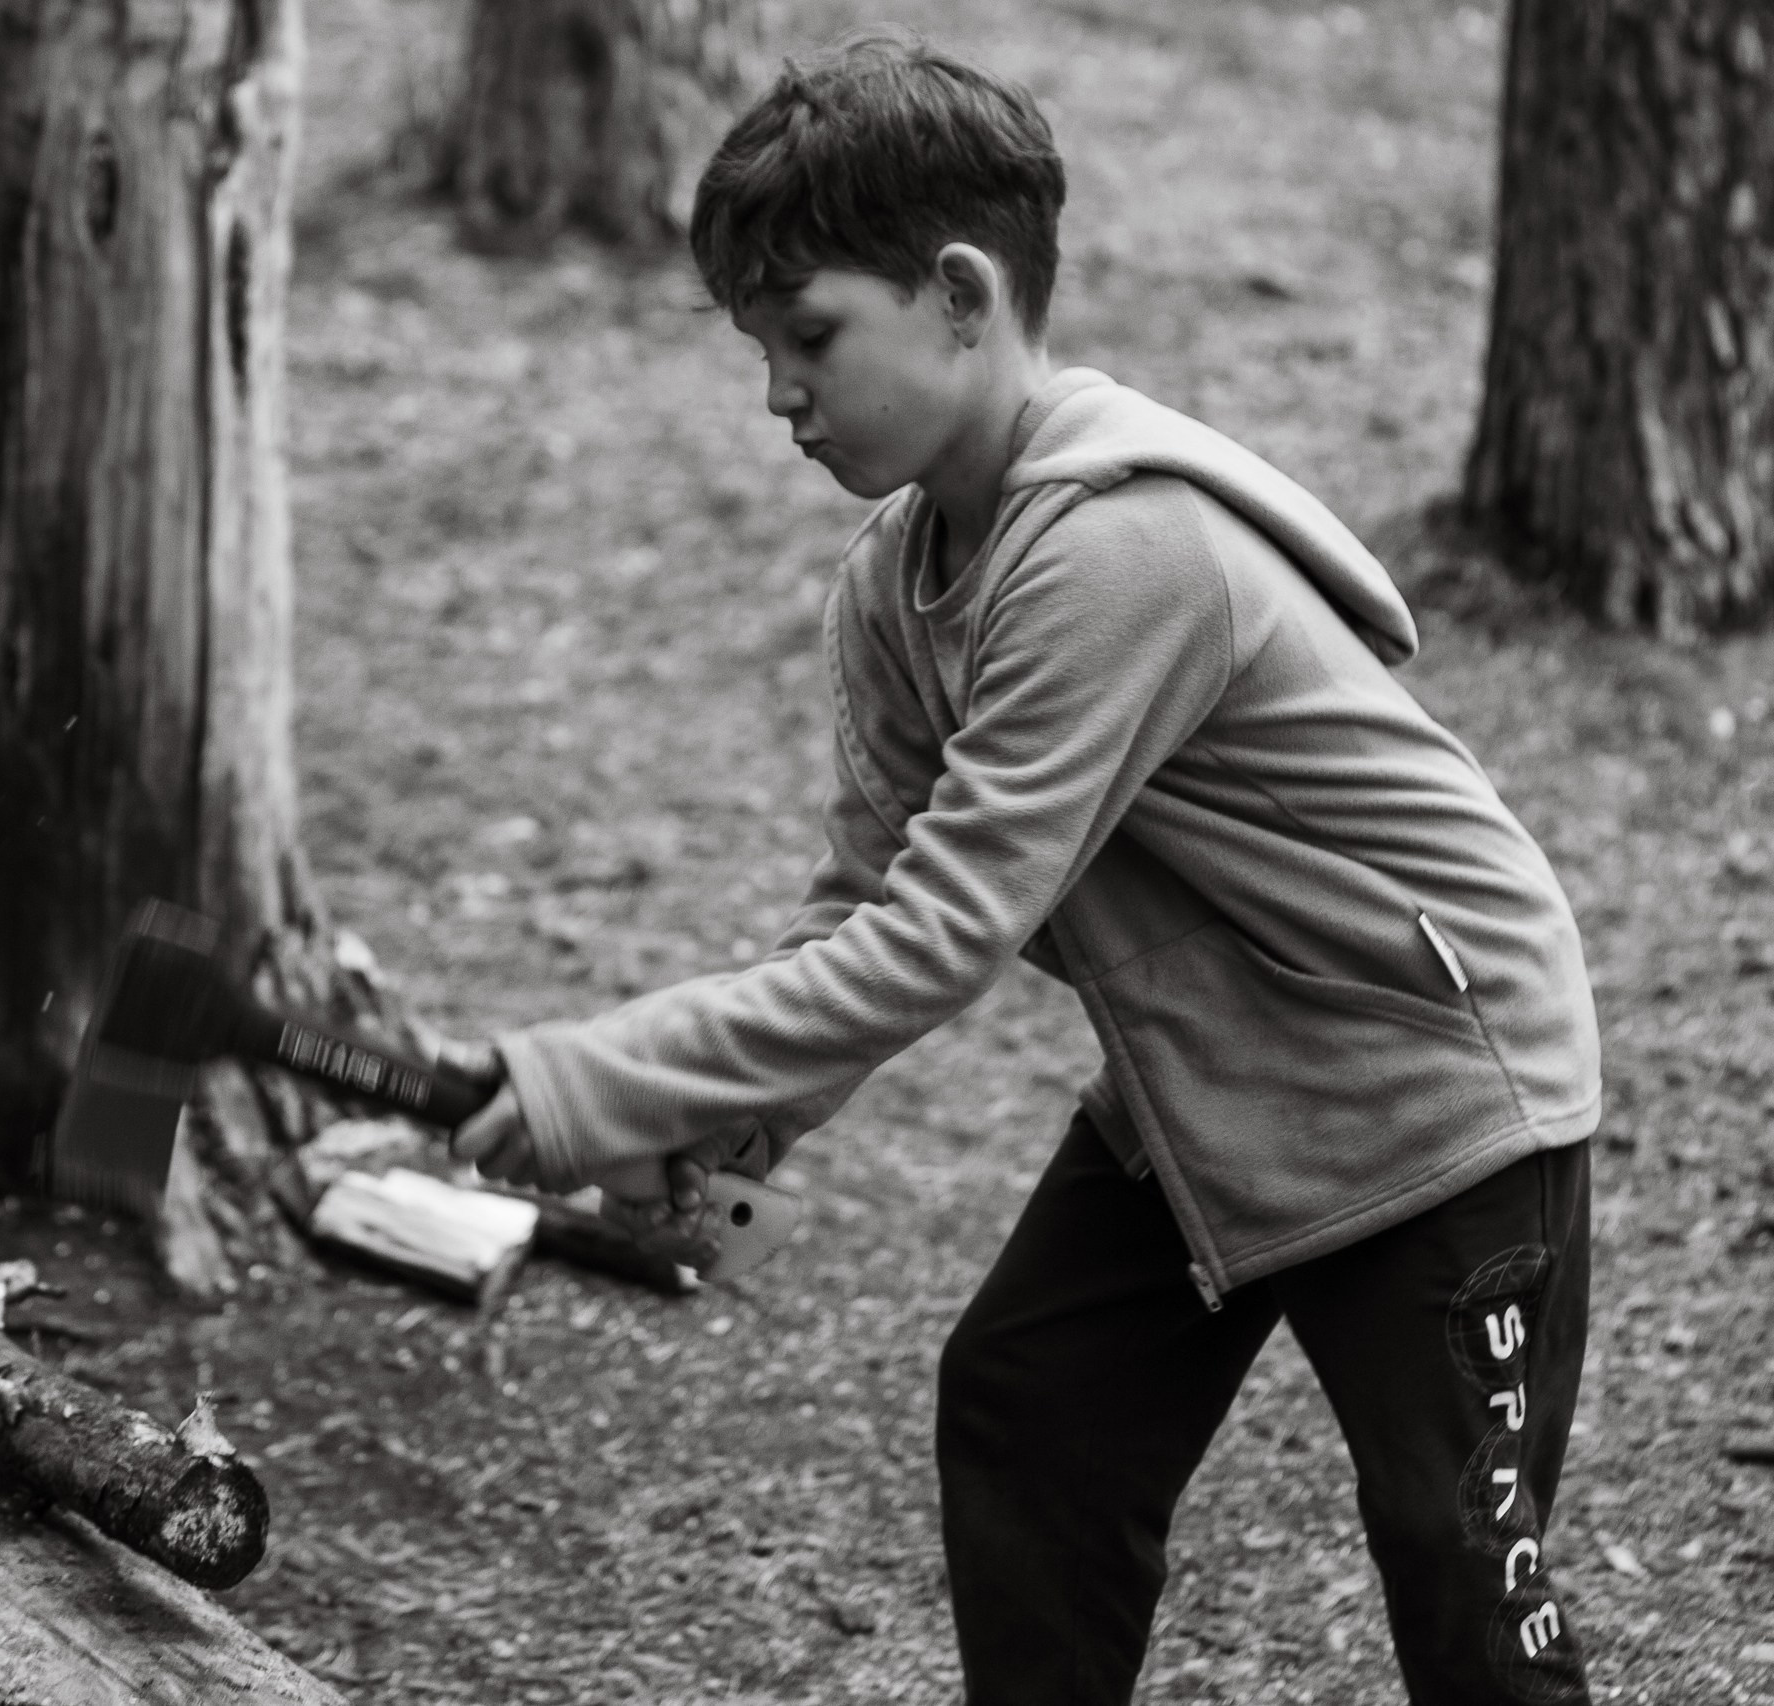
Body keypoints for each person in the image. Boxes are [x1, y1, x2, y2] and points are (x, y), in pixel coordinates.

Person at [446, 27, 1602, 1706]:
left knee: (1458, 1559)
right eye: (760, 348)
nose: (777, 394)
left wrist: (594, 1075)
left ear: (962, 296)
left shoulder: (1122, 552)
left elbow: (940, 936)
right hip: (1220, 1067)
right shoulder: (900, 579)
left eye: (810, 336)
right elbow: (865, 901)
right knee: (1034, 1410)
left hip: (1436, 1090)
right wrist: (731, 1114)